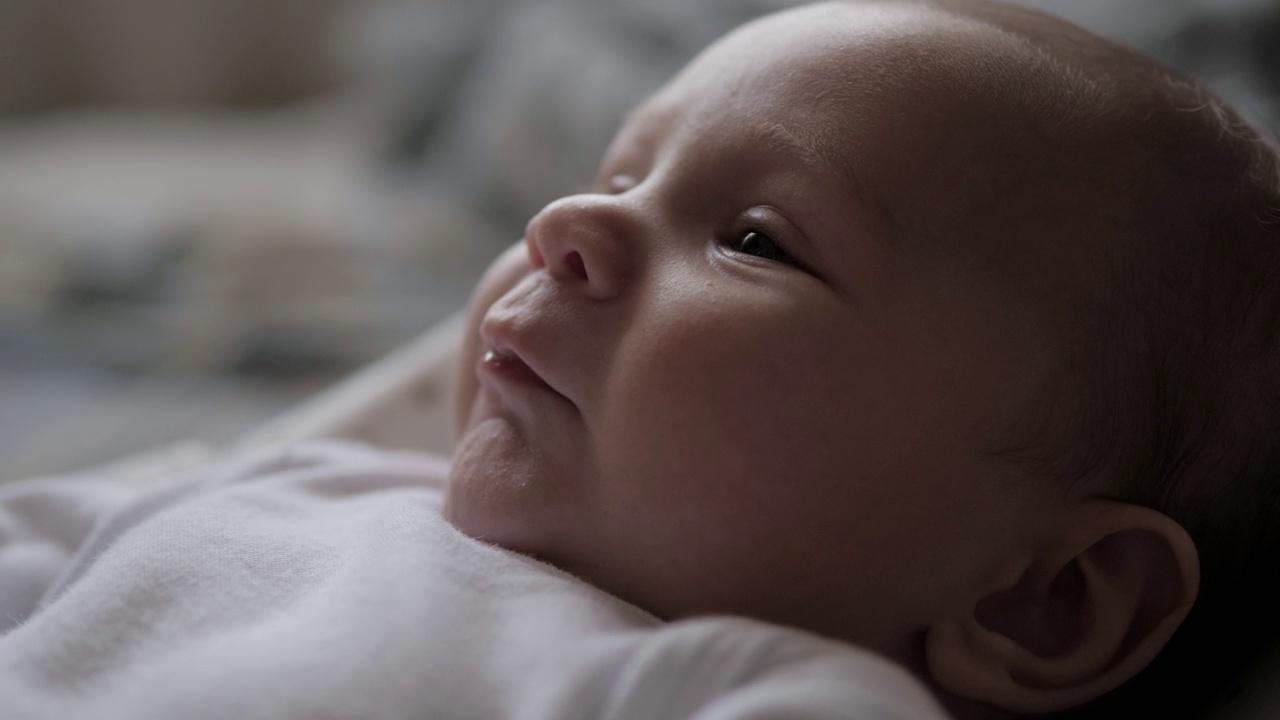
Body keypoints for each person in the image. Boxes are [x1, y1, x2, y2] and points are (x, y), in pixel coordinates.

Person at [2, 1, 1277, 718]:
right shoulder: (293, 481)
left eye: (755, 241)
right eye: (616, 173)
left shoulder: (738, 688)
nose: (568, 226)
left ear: (1041, 601)